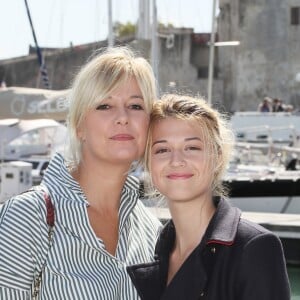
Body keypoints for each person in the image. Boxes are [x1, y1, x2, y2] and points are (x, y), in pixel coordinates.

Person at [0, 47, 161, 299]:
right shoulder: (25, 217)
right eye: (105, 105)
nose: (123, 117)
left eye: (136, 105)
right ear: (78, 126)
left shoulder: (149, 228)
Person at [127, 94, 291, 300]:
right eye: (162, 149)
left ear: (217, 155)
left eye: (192, 147)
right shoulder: (155, 248)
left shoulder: (254, 248)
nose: (176, 160)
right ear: (148, 162)